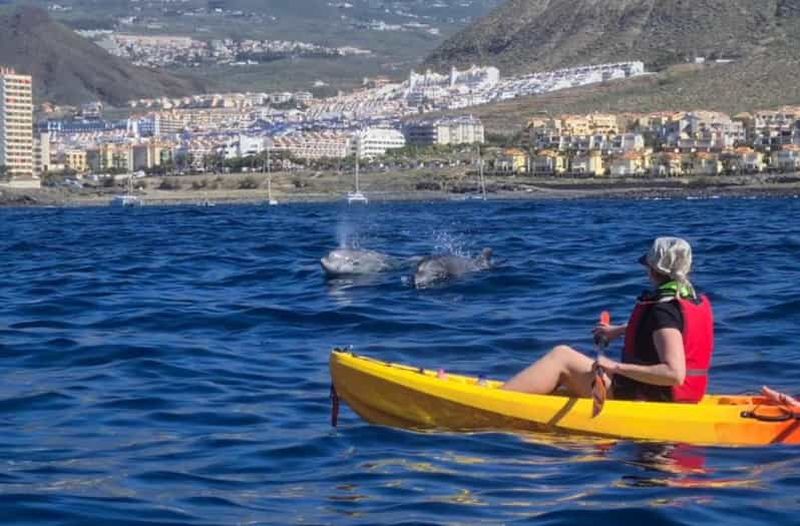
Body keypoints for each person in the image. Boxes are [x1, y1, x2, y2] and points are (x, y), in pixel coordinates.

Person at [503, 236, 714, 403]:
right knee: (568, 378)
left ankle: (500, 402)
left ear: (652, 270)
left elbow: (674, 374)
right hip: (684, 395)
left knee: (562, 356)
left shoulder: (663, 310)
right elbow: (672, 330)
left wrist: (613, 367)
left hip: (652, 395)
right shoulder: (687, 298)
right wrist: (620, 330)